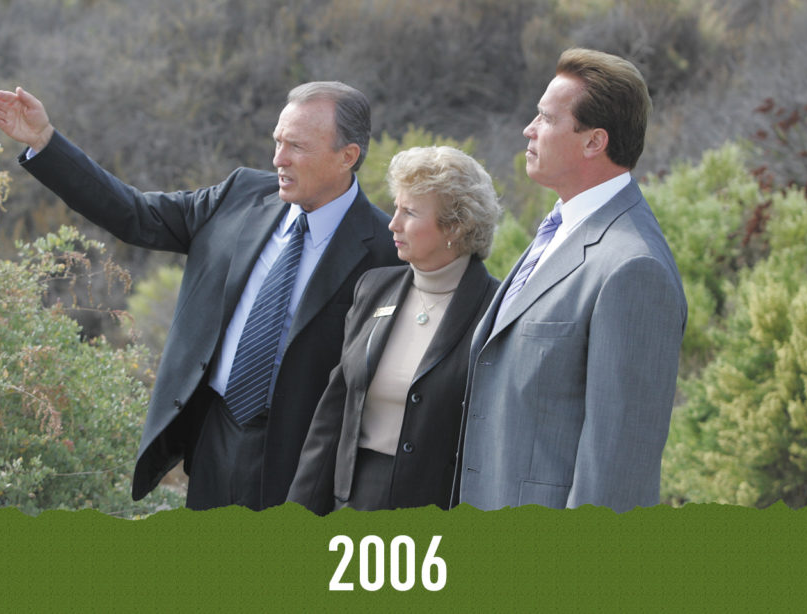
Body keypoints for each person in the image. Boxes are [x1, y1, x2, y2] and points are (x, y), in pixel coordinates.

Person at [0, 82, 400, 510]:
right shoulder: (239, 196)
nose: (279, 159)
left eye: (296, 146)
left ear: (347, 156)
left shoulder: (388, 252)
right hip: (214, 435)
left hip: (305, 463)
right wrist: (45, 141)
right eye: (277, 141)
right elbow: (135, 215)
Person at [458, 48, 688, 513]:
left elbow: (618, 472)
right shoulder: (560, 228)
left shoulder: (633, 269)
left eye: (546, 117)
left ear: (593, 142)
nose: (529, 129)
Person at [287, 146, 501, 514]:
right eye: (396, 207)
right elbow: (333, 414)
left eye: (410, 212)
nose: (393, 224)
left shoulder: (498, 308)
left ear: (456, 225)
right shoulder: (373, 288)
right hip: (351, 505)